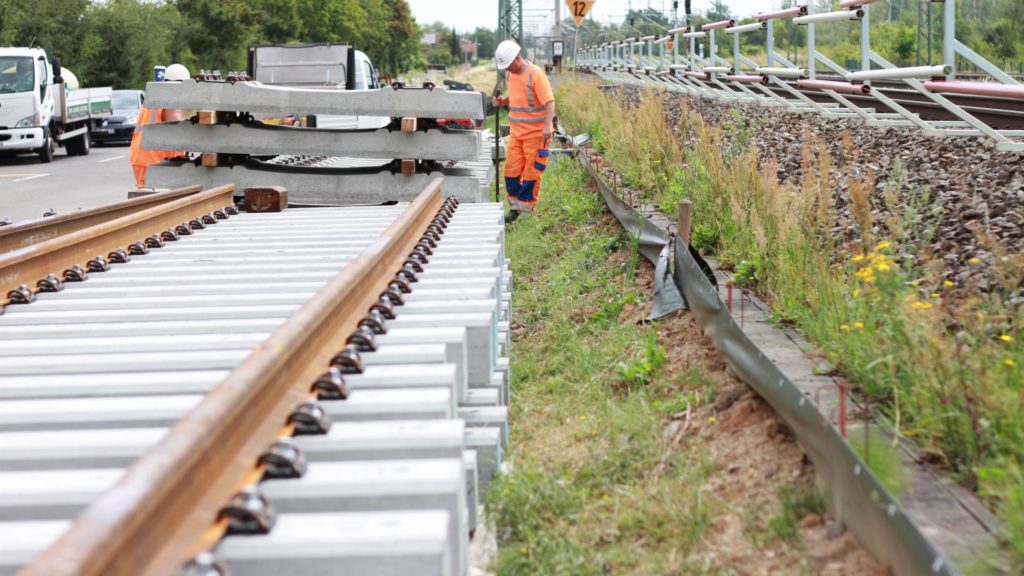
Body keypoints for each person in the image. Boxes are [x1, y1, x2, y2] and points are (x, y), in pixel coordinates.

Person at [492, 40, 556, 224]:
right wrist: (502, 101)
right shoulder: (511, 75)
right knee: (510, 171)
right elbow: (518, 96)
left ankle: (525, 211)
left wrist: (547, 126)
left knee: (531, 174)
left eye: (509, 65)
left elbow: (549, 102)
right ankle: (514, 207)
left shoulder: (536, 74)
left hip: (536, 136)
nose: (508, 69)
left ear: (517, 58)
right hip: (517, 134)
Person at [129, 63, 189, 188]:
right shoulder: (170, 96)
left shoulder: (155, 96)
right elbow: (175, 121)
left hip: (143, 157)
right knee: (156, 199)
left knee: (147, 198)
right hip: (154, 159)